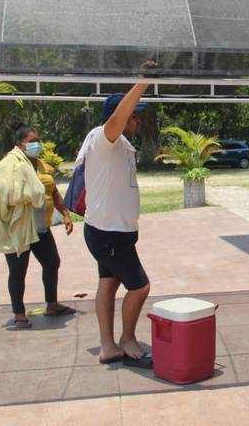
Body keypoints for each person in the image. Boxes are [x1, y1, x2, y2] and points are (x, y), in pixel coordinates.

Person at [79, 85, 152, 366]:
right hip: (108, 233)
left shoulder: (121, 144)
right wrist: (142, 82)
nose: (137, 120)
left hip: (115, 232)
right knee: (140, 287)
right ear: (119, 116)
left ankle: (108, 346)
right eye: (134, 115)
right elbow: (116, 121)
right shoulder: (102, 138)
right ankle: (126, 339)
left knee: (108, 285)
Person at [0, 125, 76, 329]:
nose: (37, 144)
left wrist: (65, 214)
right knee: (18, 271)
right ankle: (19, 313)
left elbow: (52, 190)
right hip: (19, 226)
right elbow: (1, 191)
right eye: (31, 141)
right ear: (19, 144)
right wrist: (25, 194)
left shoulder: (42, 165)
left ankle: (52, 304)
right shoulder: (9, 164)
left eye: (38, 140)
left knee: (52, 262)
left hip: (41, 226)